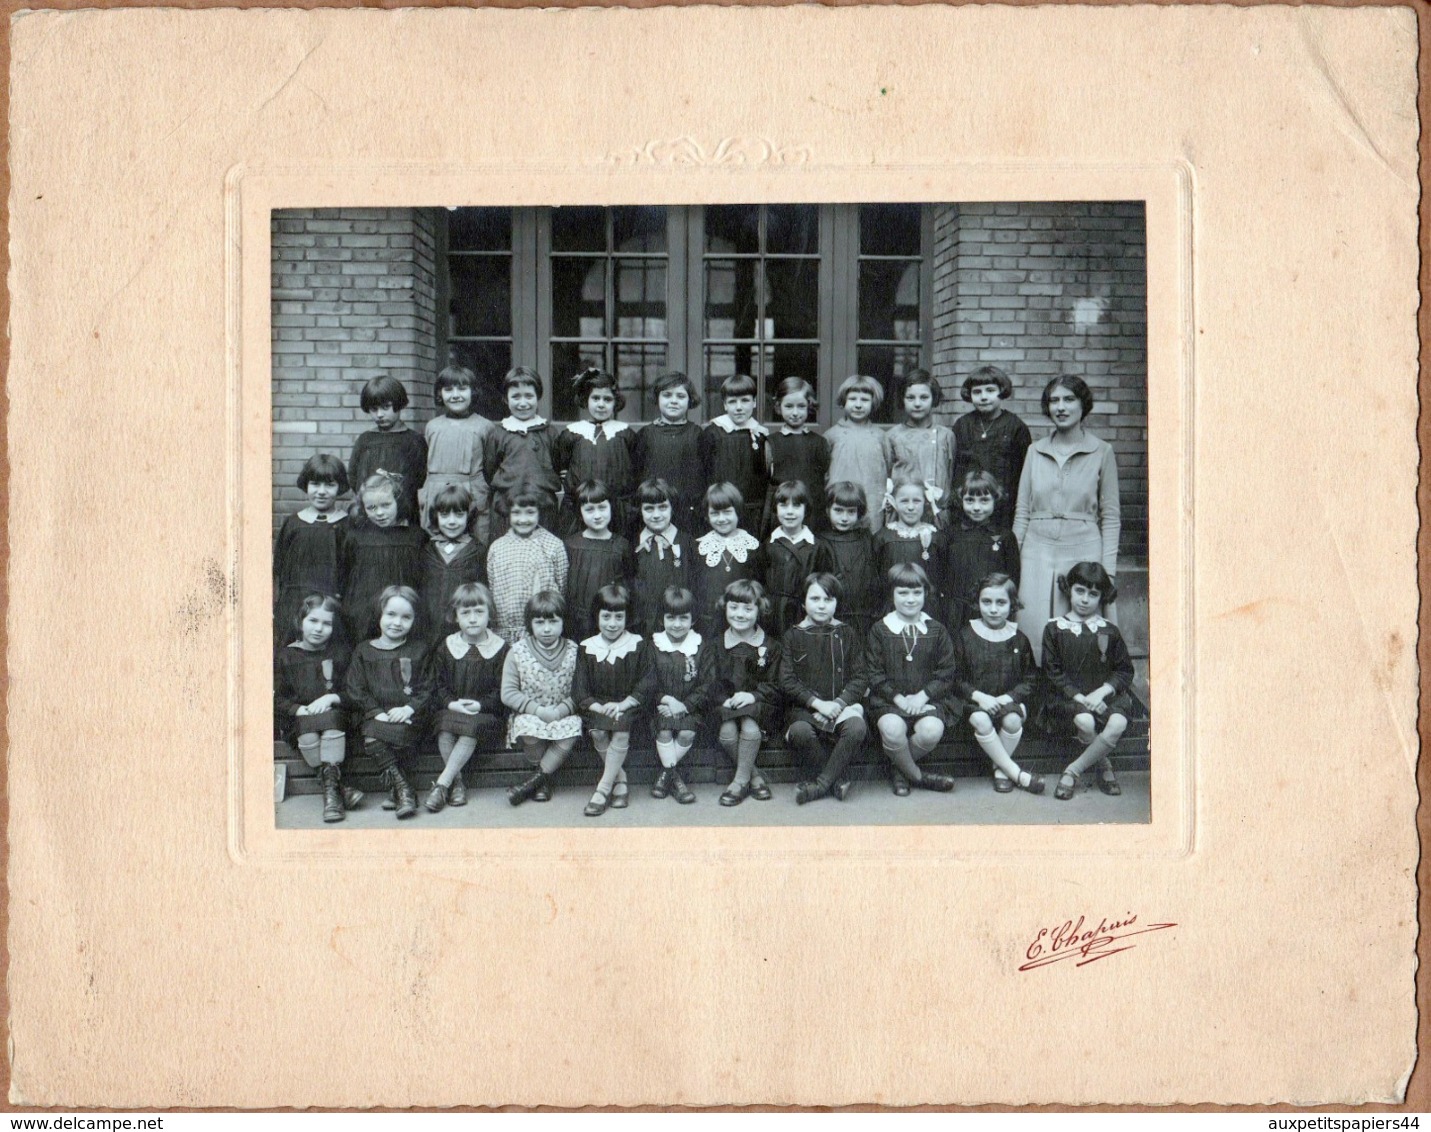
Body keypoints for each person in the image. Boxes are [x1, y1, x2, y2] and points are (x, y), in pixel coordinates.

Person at [1012, 374, 1121, 662]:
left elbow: (1110, 517)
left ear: (1083, 405)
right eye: (1054, 400)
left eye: (1068, 399)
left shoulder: (1102, 452)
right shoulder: (1034, 451)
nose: (1060, 407)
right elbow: (1022, 511)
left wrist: (1107, 572)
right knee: (1031, 623)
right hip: (1036, 547)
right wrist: (1013, 558)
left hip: (1083, 547)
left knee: (1079, 630)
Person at [1040, 562, 1134, 801]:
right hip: (1070, 698)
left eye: (1093, 594)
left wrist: (1102, 693)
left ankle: (1073, 770)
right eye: (1080, 591)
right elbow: (1053, 673)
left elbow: (1124, 671)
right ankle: (1104, 767)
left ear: (1101, 597)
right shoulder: (1054, 629)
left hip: (1104, 696)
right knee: (1085, 721)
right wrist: (1083, 699)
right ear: (1069, 590)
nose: (1085, 599)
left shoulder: (1109, 630)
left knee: (1117, 723)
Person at [864, 563, 957, 795]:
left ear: (926, 593)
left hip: (925, 700)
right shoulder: (880, 629)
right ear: (891, 594)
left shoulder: (936, 630)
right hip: (888, 701)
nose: (910, 599)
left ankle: (900, 769)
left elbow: (946, 672)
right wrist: (897, 698)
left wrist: (923, 696)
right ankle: (917, 776)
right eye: (903, 593)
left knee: (932, 730)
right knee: (893, 729)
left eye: (917, 592)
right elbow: (873, 672)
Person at [777, 573, 866, 805]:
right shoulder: (793, 635)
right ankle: (835, 781)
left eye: (828, 599)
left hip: (839, 706)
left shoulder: (846, 633)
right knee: (800, 732)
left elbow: (860, 677)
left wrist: (837, 704)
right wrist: (817, 704)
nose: (821, 605)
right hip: (806, 709)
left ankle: (819, 785)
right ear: (804, 602)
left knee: (856, 727)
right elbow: (787, 681)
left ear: (836, 602)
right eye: (815, 599)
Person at [343, 585, 430, 819]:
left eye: (406, 617)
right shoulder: (364, 651)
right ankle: (404, 790)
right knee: (372, 734)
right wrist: (375, 711)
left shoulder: (419, 649)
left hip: (409, 716)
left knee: (396, 734)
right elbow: (355, 687)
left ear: (414, 619)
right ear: (380, 614)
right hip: (376, 716)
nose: (397, 622)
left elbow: (428, 687)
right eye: (391, 614)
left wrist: (409, 707)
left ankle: (399, 791)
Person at [273, 595, 362, 822]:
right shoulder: (286, 656)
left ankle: (331, 796)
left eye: (327, 623)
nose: (319, 628)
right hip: (301, 722)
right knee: (308, 729)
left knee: (332, 724)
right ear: (300, 621)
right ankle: (337, 790)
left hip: (336, 721)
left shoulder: (341, 653)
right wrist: (297, 709)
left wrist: (332, 698)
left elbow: (355, 693)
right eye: (313, 621)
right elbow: (277, 698)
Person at [952, 574, 1043, 794]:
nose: (993, 609)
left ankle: (1001, 770)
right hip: (973, 702)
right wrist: (979, 697)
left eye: (1001, 603)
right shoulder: (965, 636)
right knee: (981, 719)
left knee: (1012, 721)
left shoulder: (1019, 639)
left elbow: (1031, 679)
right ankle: (1015, 773)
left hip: (1007, 700)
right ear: (977, 602)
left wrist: (1007, 698)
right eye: (987, 602)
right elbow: (955, 678)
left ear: (1012, 605)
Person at [422, 583, 508, 813]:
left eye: (479, 612)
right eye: (465, 613)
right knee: (445, 728)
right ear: (455, 616)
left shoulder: (500, 648)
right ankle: (456, 783)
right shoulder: (446, 647)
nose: (473, 619)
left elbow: (503, 691)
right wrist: (452, 703)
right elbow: (437, 685)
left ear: (490, 614)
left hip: (485, 715)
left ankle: (441, 784)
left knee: (469, 727)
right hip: (451, 710)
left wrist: (480, 704)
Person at [573, 584, 653, 817]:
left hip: (628, 705)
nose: (612, 623)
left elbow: (647, 682)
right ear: (597, 616)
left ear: (627, 618)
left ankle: (603, 789)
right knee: (597, 731)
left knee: (620, 731)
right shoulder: (587, 647)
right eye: (606, 617)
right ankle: (620, 781)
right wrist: (598, 707)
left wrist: (623, 705)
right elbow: (579, 688)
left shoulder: (637, 644)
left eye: (619, 617)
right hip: (597, 705)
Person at [502, 591, 582, 806]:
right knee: (528, 728)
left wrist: (560, 711)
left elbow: (581, 691)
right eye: (539, 622)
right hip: (531, 712)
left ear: (563, 622)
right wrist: (538, 711)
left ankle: (534, 781)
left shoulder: (574, 651)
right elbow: (508, 693)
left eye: (553, 622)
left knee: (573, 728)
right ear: (530, 624)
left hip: (563, 712)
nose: (547, 629)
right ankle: (544, 779)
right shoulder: (517, 651)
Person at [711, 579, 782, 807]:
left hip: (760, 704)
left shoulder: (770, 646)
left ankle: (739, 783)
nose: (740, 614)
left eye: (747, 608)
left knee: (750, 725)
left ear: (759, 610)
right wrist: (727, 700)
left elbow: (777, 684)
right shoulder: (716, 645)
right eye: (734, 607)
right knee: (727, 731)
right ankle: (756, 778)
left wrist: (752, 696)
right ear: (725, 607)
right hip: (726, 705)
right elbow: (711, 683)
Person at [337, 471, 427, 645]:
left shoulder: (416, 538)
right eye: (371, 508)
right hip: (362, 615)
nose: (379, 513)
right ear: (363, 508)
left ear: (398, 502)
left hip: (401, 617)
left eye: (386, 505)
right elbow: (345, 576)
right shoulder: (356, 538)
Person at [931, 470, 1020, 631]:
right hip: (955, 613)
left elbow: (1012, 579)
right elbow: (940, 576)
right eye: (970, 500)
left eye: (984, 500)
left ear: (995, 499)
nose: (977, 507)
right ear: (961, 500)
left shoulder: (1005, 537)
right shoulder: (950, 535)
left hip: (989, 612)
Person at [274, 453, 349, 645]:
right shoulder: (293, 524)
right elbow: (279, 569)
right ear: (306, 485)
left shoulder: (347, 526)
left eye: (329, 485)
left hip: (331, 610)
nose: (322, 491)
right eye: (315, 484)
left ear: (339, 487)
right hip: (293, 607)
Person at [647, 586, 712, 805]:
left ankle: (666, 776)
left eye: (683, 618)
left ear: (693, 619)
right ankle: (677, 781)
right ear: (662, 618)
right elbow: (647, 682)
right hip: (661, 707)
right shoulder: (653, 646)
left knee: (686, 733)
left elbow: (707, 685)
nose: (677, 624)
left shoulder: (701, 647)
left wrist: (683, 705)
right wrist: (666, 700)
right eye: (671, 618)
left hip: (690, 708)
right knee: (664, 731)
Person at [553, 367, 636, 538]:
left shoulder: (625, 434)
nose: (601, 404)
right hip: (579, 511)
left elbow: (635, 467)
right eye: (595, 398)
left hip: (616, 512)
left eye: (607, 399)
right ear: (586, 400)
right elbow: (561, 464)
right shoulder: (572, 434)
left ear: (615, 402)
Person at [484, 366, 560, 539]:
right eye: (516, 397)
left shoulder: (550, 432)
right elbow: (490, 470)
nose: (523, 403)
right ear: (505, 399)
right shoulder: (499, 433)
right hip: (506, 509)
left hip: (543, 509)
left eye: (529, 396)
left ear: (538, 397)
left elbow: (556, 465)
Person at [952, 365, 1031, 532]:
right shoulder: (962, 425)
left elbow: (1023, 474)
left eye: (990, 390)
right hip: (968, 511)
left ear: (1001, 391)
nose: (983, 397)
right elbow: (956, 471)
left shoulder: (1015, 427)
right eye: (977, 392)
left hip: (1003, 513)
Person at [486, 487, 568, 644]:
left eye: (530, 512)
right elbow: (493, 587)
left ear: (539, 512)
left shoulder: (553, 545)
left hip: (542, 630)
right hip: (504, 630)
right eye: (517, 513)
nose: (523, 519)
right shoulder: (497, 547)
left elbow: (562, 586)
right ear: (509, 513)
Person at [422, 364, 493, 542]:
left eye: (462, 389)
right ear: (440, 394)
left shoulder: (484, 426)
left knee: (477, 542)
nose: (455, 395)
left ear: (473, 392)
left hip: (472, 493)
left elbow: (490, 467)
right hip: (437, 493)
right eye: (448, 390)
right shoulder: (432, 426)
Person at [632, 371, 705, 537]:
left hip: (689, 515)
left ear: (690, 400)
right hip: (654, 513)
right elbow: (636, 475)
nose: (673, 401)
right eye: (667, 395)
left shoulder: (698, 434)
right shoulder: (645, 435)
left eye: (680, 396)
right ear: (657, 399)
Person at [562, 479, 635, 643]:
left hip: (610, 624)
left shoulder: (621, 546)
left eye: (602, 508)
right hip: (576, 625)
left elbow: (629, 584)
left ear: (611, 507)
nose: (597, 515)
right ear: (580, 512)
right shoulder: (570, 545)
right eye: (589, 510)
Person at [699, 373, 770, 535]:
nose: (739, 407)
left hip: (752, 512)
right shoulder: (713, 433)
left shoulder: (760, 435)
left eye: (745, 400)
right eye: (732, 402)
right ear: (724, 405)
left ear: (754, 403)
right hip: (720, 510)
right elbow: (703, 472)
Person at [349, 375, 426, 522]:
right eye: (374, 409)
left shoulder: (413, 441)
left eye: (386, 407)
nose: (379, 414)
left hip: (404, 517)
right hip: (370, 516)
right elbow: (353, 477)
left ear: (399, 404)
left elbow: (420, 479)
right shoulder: (365, 440)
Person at [885, 369, 957, 527]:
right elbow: (887, 476)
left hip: (936, 514)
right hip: (903, 512)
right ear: (902, 400)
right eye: (910, 397)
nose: (917, 403)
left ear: (934, 399)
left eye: (924, 397)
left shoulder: (945, 436)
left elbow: (950, 476)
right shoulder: (893, 436)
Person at [692, 482, 764, 636]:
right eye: (715, 513)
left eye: (727, 512)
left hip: (742, 623)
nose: (722, 519)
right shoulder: (698, 548)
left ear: (738, 511)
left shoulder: (753, 547)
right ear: (707, 515)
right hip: (707, 624)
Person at [811, 481, 879, 642]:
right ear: (828, 510)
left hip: (864, 617)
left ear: (859, 513)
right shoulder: (820, 542)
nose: (844, 518)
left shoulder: (867, 540)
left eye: (851, 512)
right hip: (832, 617)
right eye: (838, 511)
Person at [417, 483, 486, 643]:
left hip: (463, 629)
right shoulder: (427, 549)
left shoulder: (477, 551)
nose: (452, 522)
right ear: (436, 516)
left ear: (468, 516)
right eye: (445, 515)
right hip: (429, 629)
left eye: (459, 515)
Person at [824, 375, 891, 533]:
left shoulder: (880, 436)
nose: (858, 405)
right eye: (853, 399)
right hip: (841, 506)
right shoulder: (832, 435)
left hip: (872, 505)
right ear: (844, 400)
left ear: (873, 402)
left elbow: (887, 470)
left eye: (865, 400)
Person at [763, 377, 830, 534]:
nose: (795, 412)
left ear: (810, 406)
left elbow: (823, 479)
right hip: (783, 515)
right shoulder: (771, 442)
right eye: (789, 406)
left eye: (801, 406)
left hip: (813, 515)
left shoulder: (819, 443)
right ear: (778, 407)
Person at [631, 478, 691, 635]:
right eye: (649, 509)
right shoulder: (632, 546)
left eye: (663, 507)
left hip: (678, 629)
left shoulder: (688, 544)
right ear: (640, 510)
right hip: (643, 630)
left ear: (672, 508)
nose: (656, 515)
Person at [874, 475, 939, 614]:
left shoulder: (936, 537)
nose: (910, 507)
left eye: (916, 501)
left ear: (925, 502)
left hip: (928, 610)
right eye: (904, 501)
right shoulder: (883, 537)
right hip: (891, 609)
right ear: (894, 502)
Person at [764, 480, 818, 635]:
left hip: (803, 612)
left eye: (796, 506)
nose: (790, 512)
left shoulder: (816, 546)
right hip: (773, 614)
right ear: (775, 508)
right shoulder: (769, 544)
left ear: (806, 509)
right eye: (783, 505)